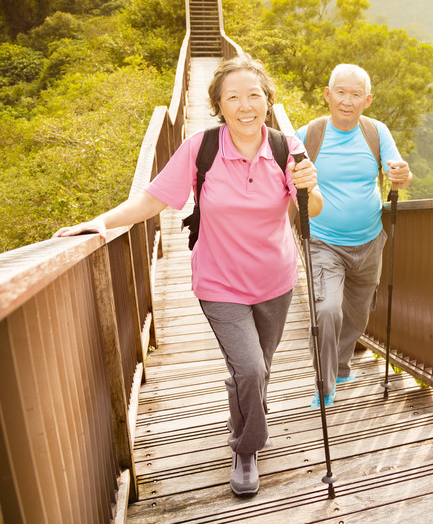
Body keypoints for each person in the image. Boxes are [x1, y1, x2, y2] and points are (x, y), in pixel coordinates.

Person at [54, 54, 321, 497]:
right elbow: (154, 199)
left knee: (256, 369)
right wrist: (101, 222)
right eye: (233, 97)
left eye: (254, 95)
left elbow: (309, 212)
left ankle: (244, 406)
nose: (245, 105)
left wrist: (312, 185)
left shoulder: (287, 148)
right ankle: (246, 447)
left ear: (268, 101)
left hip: (277, 280)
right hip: (220, 282)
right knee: (251, 369)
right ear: (218, 104)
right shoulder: (202, 148)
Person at [292, 63, 412, 408]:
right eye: (340, 92)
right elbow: (280, 175)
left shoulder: (377, 132)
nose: (347, 100)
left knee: (358, 314)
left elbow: (399, 173)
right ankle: (325, 383)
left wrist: (403, 176)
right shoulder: (308, 135)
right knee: (328, 310)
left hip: (370, 240)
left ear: (367, 100)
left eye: (356, 94)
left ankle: (342, 366)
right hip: (323, 241)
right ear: (328, 95)